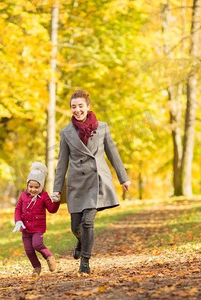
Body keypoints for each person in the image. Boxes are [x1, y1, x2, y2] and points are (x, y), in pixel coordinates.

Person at [53, 89, 131, 274]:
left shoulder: (102, 127)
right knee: (75, 227)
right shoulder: (65, 133)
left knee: (88, 222)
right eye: (73, 107)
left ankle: (85, 261)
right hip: (77, 184)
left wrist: (123, 178)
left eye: (80, 106)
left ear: (88, 107)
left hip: (96, 181)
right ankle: (81, 241)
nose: (77, 110)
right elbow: (61, 163)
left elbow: (113, 153)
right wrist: (57, 189)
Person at [13, 162, 61, 277]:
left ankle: (49, 257)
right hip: (25, 229)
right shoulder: (23, 196)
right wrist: (18, 221)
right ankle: (36, 267)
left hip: (38, 229)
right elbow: (17, 209)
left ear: (41, 186)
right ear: (27, 185)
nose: (33, 189)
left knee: (37, 245)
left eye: (36, 187)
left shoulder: (44, 196)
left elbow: (52, 209)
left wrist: (56, 201)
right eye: (31, 187)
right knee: (29, 250)